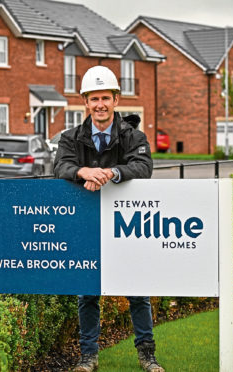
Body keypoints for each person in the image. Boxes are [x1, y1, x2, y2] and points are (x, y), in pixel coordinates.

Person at [54, 65, 163, 372]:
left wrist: (111, 173)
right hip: (87, 225)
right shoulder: (70, 138)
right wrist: (83, 171)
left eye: (105, 97)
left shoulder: (134, 136)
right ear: (85, 102)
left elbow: (143, 167)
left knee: (137, 291)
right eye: (93, 98)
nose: (99, 104)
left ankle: (147, 356)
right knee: (87, 294)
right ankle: (88, 357)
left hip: (126, 225)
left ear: (116, 99)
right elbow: (60, 167)